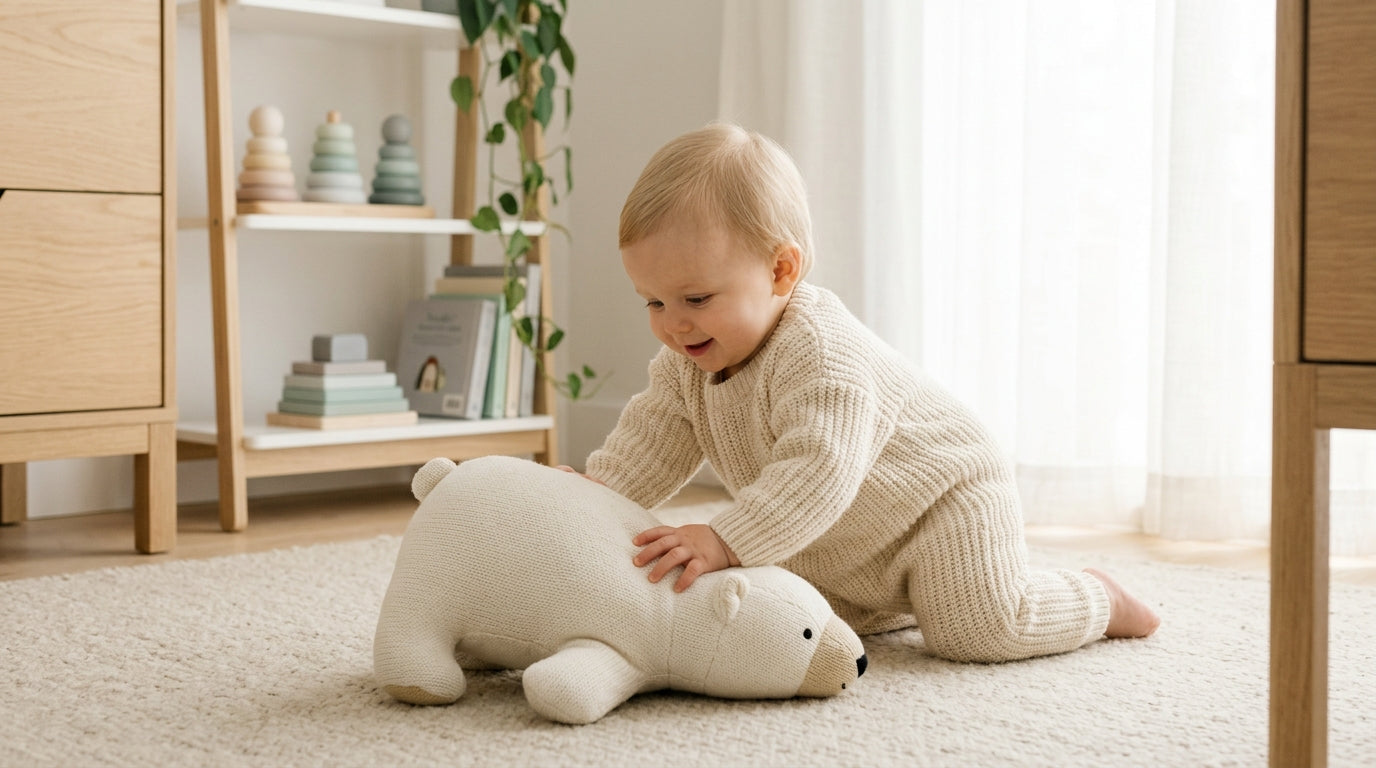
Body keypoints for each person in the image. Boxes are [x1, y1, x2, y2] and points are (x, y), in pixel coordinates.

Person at [563, 122, 1159, 663]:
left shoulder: (822, 353)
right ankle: (896, 601)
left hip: (942, 504)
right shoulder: (686, 361)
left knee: (979, 632)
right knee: (768, 618)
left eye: (696, 299)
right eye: (653, 301)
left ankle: (1096, 595)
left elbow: (819, 471)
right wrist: (595, 495)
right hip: (838, 543)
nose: (674, 323)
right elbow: (653, 439)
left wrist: (724, 537)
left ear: (780, 272)